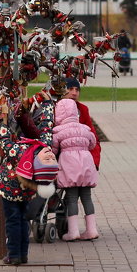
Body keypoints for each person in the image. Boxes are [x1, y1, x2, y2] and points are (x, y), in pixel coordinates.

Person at [0, 117, 56, 265]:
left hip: (9, 189)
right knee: (23, 220)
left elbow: (4, 141)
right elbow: (47, 129)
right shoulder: (43, 147)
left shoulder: (19, 149)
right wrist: (48, 104)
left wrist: (3, 123)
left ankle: (14, 255)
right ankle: (23, 254)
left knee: (13, 222)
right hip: (27, 192)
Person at [52, 98, 100, 241]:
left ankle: (73, 231)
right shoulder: (85, 129)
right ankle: (92, 229)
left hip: (69, 166)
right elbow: (92, 143)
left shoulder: (58, 131)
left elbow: (54, 149)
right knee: (87, 197)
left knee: (72, 198)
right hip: (86, 164)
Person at [62, 78, 101, 170]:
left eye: (77, 90)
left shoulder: (83, 110)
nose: (74, 93)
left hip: (82, 163)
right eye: (70, 89)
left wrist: (94, 163)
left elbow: (94, 139)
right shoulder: (52, 108)